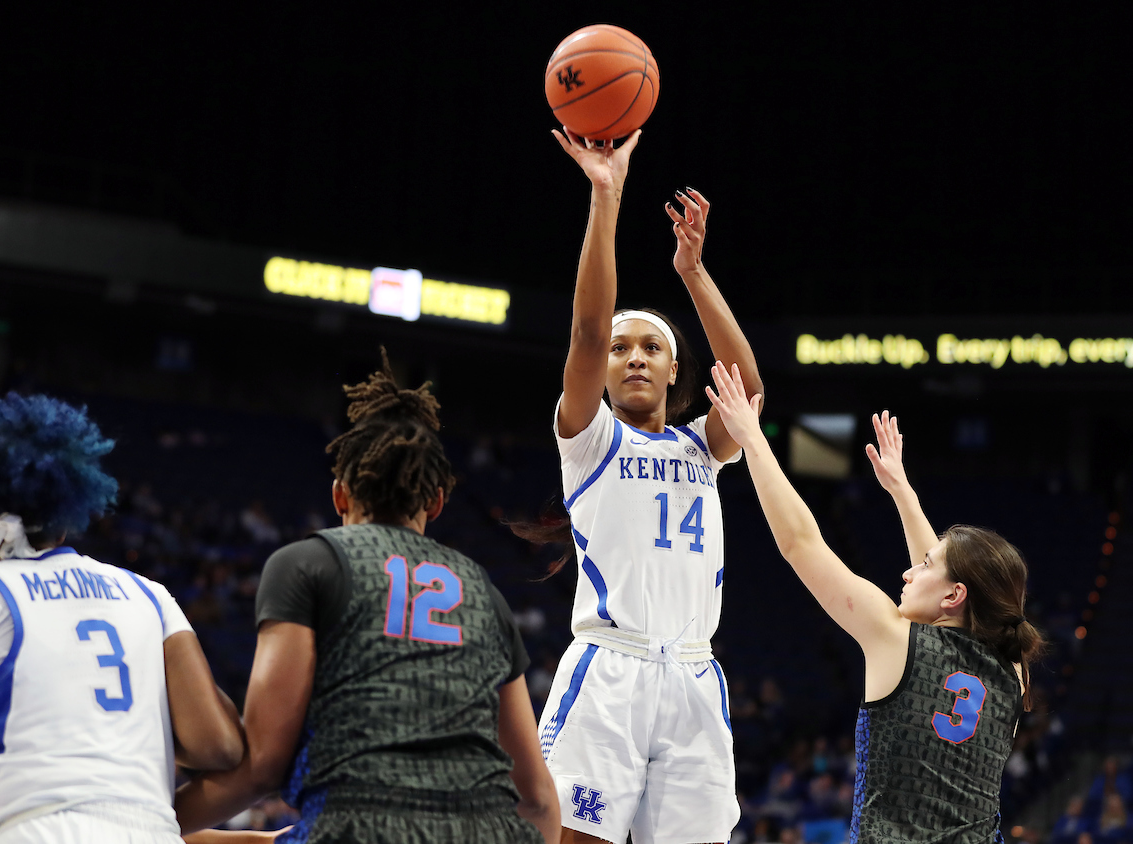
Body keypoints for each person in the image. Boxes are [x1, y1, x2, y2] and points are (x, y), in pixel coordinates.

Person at [172, 353, 559, 843]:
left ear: (339, 496)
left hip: (356, 827)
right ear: (437, 503)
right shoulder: (484, 591)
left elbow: (264, 766)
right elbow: (539, 799)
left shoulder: (307, 563)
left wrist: (151, 818)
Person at [521, 126, 764, 844]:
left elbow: (746, 390)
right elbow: (589, 330)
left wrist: (693, 272)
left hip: (692, 677)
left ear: (673, 373)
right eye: (623, 349)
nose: (631, 358)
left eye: (651, 348)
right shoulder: (590, 438)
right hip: (609, 668)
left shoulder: (702, 446)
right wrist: (607, 194)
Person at [706, 362, 1045, 843]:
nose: (909, 571)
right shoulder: (1013, 669)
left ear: (954, 595)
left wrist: (753, 441)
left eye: (925, 567)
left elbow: (801, 543)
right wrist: (902, 493)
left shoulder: (895, 637)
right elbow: (949, 596)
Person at [0, 393, 245, 844]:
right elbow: (219, 745)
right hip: (153, 834)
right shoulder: (149, 594)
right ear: (66, 521)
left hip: (35, 832)